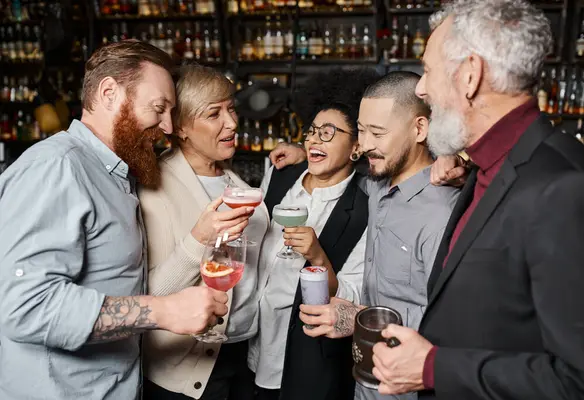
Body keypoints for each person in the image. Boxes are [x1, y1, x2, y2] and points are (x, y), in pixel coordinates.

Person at [366, 1, 584, 399]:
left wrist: (433, 368)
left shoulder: (566, 188)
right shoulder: (482, 166)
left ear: (470, 75)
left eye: (429, 71)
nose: (421, 88)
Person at [0, 41, 229, 400]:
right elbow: (26, 307)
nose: (168, 126)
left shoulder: (118, 173)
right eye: (159, 108)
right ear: (109, 93)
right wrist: (163, 310)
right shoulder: (57, 168)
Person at [292, 72, 460, 400]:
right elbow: (341, 162)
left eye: (378, 133)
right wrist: (303, 153)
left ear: (420, 129)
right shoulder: (378, 185)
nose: (366, 144)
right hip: (366, 382)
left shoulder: (441, 212)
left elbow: (452, 324)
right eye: (362, 131)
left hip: (409, 388)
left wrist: (360, 319)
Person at [247, 68, 379, 400]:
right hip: (253, 341)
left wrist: (317, 256)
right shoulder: (280, 177)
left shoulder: (365, 208)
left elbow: (351, 294)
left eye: (329, 132)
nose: (315, 139)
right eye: (313, 131)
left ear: (356, 147)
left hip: (308, 355)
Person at [140, 64, 269, 400]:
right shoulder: (155, 189)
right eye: (215, 114)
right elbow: (149, 294)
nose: (232, 123)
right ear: (180, 127)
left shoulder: (235, 183)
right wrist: (198, 240)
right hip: (189, 369)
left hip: (245, 355)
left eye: (231, 109)